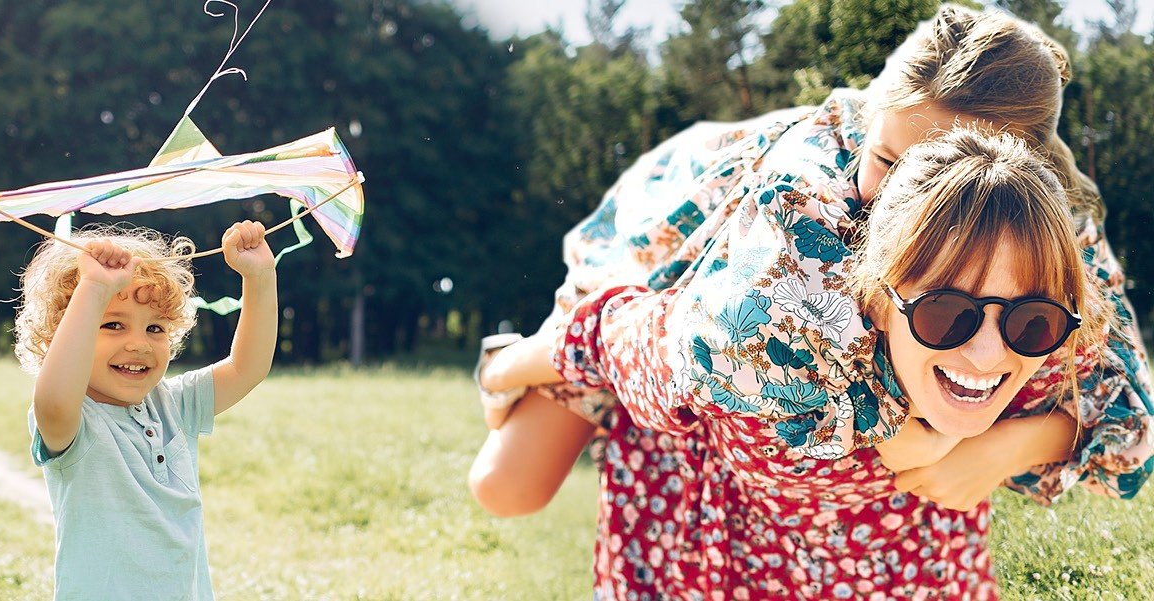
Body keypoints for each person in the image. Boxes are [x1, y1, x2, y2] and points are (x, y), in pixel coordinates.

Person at [468, 6, 1152, 597]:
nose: (891, 200)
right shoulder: (803, 230)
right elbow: (680, 345)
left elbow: (1132, 423)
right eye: (886, 163)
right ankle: (517, 356)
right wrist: (901, 433)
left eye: (934, 176)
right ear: (869, 126)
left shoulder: (1049, 224)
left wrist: (1007, 444)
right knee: (507, 483)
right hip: (666, 256)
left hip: (863, 507)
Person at [18, 221, 275, 600]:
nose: (139, 343)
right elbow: (53, 401)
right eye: (113, 324)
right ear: (63, 335)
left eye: (155, 329)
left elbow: (246, 368)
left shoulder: (175, 404)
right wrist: (92, 288)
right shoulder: (74, 420)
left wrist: (260, 276)